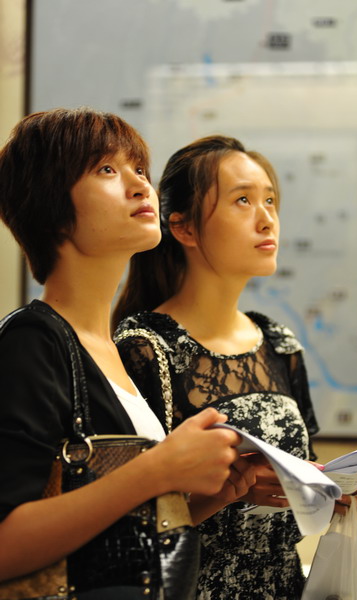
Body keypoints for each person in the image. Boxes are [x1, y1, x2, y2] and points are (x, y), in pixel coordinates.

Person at [0, 111, 258, 600]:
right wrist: (158, 470)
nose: (142, 186)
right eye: (107, 170)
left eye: (140, 169)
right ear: (51, 204)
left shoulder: (111, 349)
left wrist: (211, 497)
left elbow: (112, 533)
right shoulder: (32, 341)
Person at [113, 135, 357, 600]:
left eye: (270, 199)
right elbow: (123, 516)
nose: (266, 217)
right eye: (243, 200)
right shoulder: (147, 347)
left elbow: (301, 481)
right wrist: (226, 491)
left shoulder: (278, 342)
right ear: (185, 228)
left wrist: (334, 491)